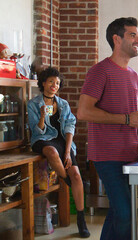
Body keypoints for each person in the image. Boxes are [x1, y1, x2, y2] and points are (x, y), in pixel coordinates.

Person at [77, 17, 138, 240]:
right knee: (125, 213)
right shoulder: (100, 71)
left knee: (120, 211)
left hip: (130, 155)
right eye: (133, 35)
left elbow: (132, 115)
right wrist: (127, 120)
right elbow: (83, 112)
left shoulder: (133, 75)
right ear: (116, 39)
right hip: (107, 155)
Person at [27, 67, 90, 238]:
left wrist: (68, 151)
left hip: (63, 142)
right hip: (42, 140)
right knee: (52, 152)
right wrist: (41, 117)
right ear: (43, 83)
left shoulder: (63, 104)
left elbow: (70, 127)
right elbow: (36, 131)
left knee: (77, 175)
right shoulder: (33, 104)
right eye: (51, 82)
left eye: (57, 83)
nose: (54, 85)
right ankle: (68, 181)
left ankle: (81, 220)